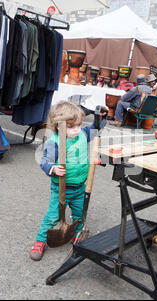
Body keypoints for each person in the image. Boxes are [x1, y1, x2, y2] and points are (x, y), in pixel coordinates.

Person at [30, 101, 106, 261]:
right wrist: (53, 169)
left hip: (80, 188)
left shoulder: (83, 134)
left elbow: (95, 129)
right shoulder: (54, 143)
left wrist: (100, 119)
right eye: (71, 127)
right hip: (61, 190)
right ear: (58, 126)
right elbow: (45, 161)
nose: (77, 130)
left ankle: (77, 234)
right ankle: (40, 241)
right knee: (52, 217)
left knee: (79, 214)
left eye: (79, 125)